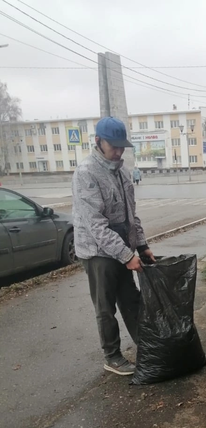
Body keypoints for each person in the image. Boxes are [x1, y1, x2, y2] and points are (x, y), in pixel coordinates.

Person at [72, 117, 155, 376]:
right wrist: (125, 255)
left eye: (122, 147)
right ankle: (112, 356)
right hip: (98, 252)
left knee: (131, 300)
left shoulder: (123, 172)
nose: (118, 152)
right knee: (105, 307)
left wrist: (141, 246)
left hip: (123, 248)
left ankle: (149, 346)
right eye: (113, 146)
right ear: (98, 141)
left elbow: (131, 215)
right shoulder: (86, 173)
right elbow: (95, 226)